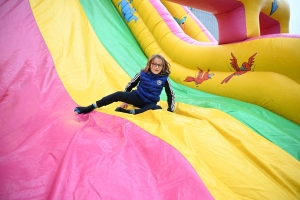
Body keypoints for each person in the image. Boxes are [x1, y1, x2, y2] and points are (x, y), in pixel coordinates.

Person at [74, 54, 175, 115]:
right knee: (118, 94)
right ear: (150, 64)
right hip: (137, 97)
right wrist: (124, 100)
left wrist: (170, 110)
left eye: (159, 65)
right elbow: (130, 85)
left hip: (149, 103)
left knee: (157, 108)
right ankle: (90, 107)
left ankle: (129, 112)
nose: (156, 67)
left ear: (162, 66)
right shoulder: (142, 73)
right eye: (154, 64)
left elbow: (170, 94)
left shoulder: (164, 78)